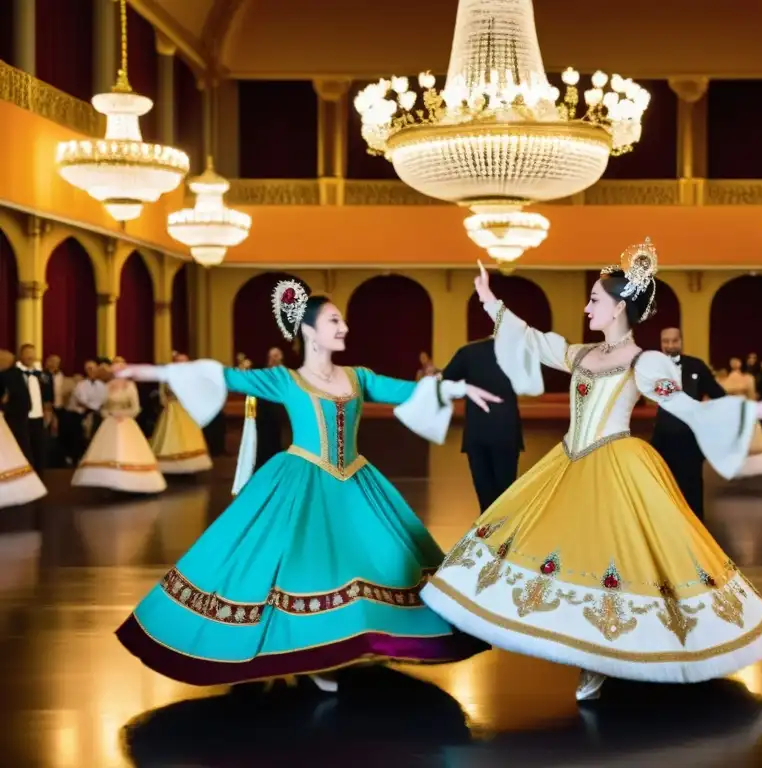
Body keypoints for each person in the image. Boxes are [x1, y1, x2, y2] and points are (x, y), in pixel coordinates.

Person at [420, 242, 762, 703]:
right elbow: (535, 341)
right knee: (571, 557)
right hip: (567, 463)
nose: (586, 307)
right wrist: (489, 300)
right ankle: (590, 655)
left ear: (619, 306)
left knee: (614, 562)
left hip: (616, 465)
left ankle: (604, 660)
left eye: (595, 300)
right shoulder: (580, 354)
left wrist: (755, 409)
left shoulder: (645, 362)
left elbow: (687, 407)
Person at [113, 279, 498, 689]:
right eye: (335, 320)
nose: (344, 327)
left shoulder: (357, 377)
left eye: (343, 320)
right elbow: (220, 376)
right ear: (310, 331)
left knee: (368, 562)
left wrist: (456, 387)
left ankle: (351, 643)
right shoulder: (285, 380)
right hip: (301, 480)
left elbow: (406, 390)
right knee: (305, 567)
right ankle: (314, 656)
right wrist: (149, 371)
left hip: (353, 481)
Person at [648, 326, 724, 520]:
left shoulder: (696, 366)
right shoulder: (652, 368)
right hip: (663, 436)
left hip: (691, 437)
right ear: (661, 343)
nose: (670, 345)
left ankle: (695, 529)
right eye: (666, 341)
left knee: (692, 486)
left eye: (674, 341)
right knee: (663, 483)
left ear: (681, 341)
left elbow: (718, 394)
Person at [443, 337, 522, 513]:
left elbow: (446, 380)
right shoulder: (521, 351)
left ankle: (486, 535)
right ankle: (504, 536)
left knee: (485, 497)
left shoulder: (468, 352)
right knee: (505, 496)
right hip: (506, 431)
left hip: (477, 431)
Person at [73, 356, 167, 494]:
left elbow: (136, 408)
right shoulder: (106, 386)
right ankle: (108, 481)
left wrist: (123, 415)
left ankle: (130, 482)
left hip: (126, 422)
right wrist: (109, 414)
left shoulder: (130, 386)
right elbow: (102, 407)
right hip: (110, 422)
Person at [150, 352, 214, 475]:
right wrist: (165, 402)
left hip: (186, 409)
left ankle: (190, 464)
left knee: (188, 436)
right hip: (171, 410)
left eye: (183, 361)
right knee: (170, 435)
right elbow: (162, 391)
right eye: (178, 361)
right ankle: (170, 463)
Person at [0, 350, 47, 507]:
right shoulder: (12, 375)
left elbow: (14, 398)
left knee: (19, 448)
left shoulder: (7, 375)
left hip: (13, 418)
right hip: (16, 417)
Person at [719, 357, 762, 477]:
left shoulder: (746, 378)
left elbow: (751, 396)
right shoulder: (724, 380)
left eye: (737, 361)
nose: (735, 364)